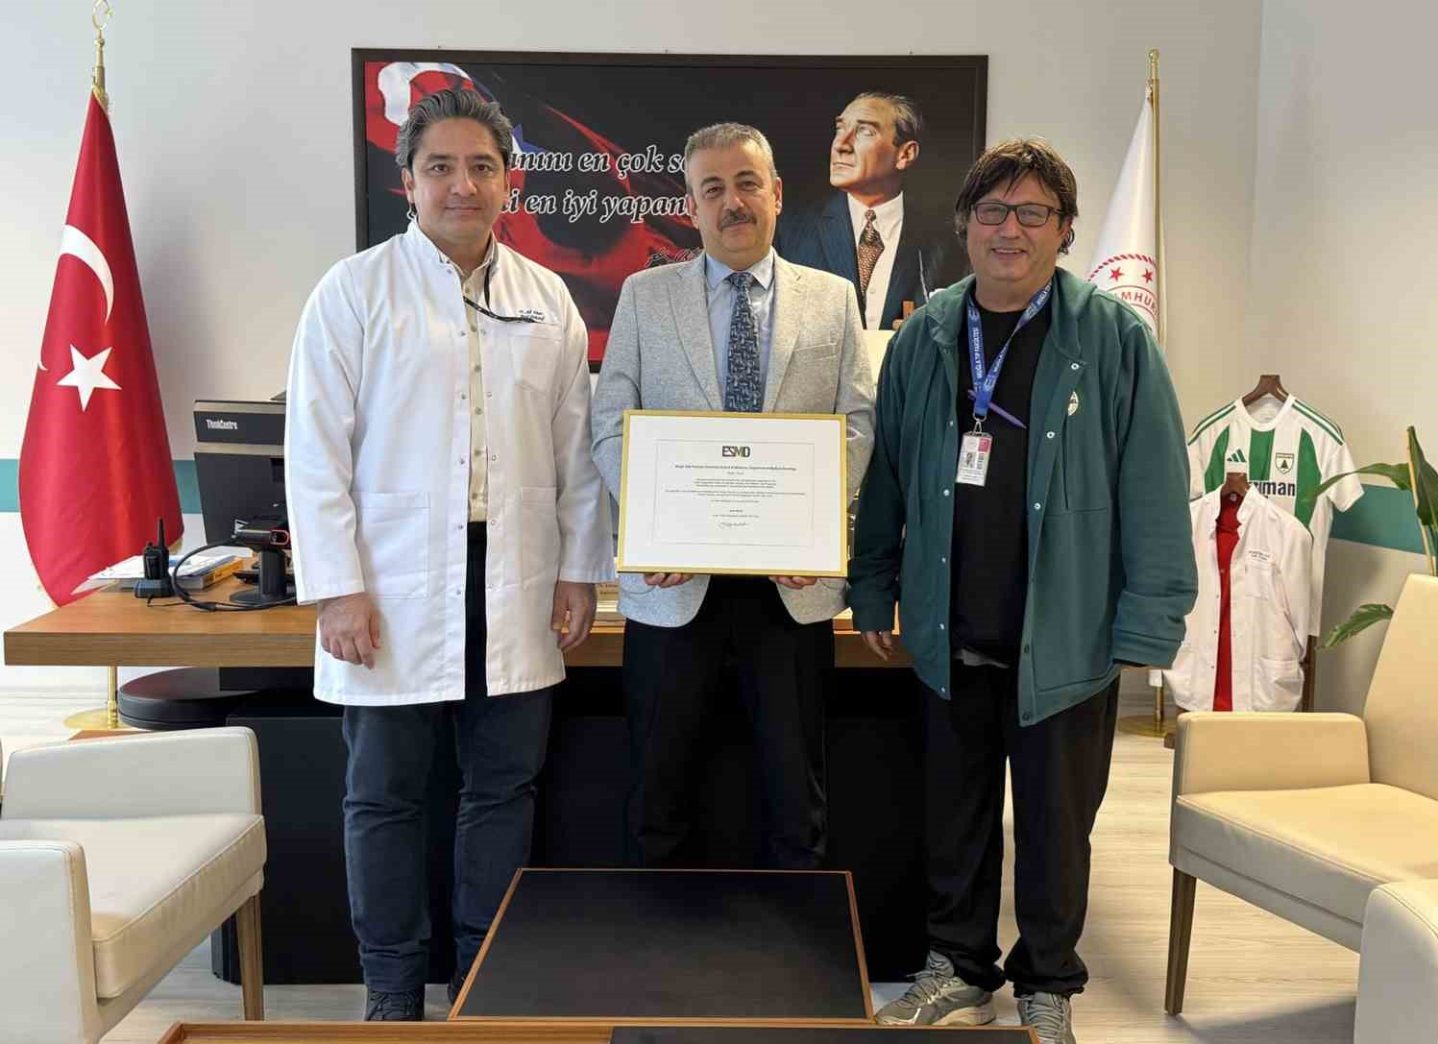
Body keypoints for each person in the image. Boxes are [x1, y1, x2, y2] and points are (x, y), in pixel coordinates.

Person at [849, 137, 1196, 1041]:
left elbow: (1157, 489)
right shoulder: (925, 335)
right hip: (948, 628)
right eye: (994, 211)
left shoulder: (1114, 339)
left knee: (1055, 826)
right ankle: (960, 969)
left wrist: (1149, 622)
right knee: (954, 819)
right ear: (965, 224)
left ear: (1065, 229)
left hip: (1067, 636)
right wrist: (873, 586)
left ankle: (1047, 980)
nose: (1011, 229)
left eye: (1033, 212)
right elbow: (889, 473)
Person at [285, 88, 614, 1022]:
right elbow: (316, 450)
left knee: (503, 790)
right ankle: (393, 991)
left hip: (513, 579)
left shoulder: (546, 298)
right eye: (441, 167)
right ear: (407, 181)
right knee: (384, 796)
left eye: (481, 167)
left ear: (510, 183)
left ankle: (482, 983)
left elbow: (574, 449)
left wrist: (578, 569)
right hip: (389, 583)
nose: (462, 185)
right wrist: (338, 589)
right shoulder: (354, 291)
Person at [590, 122, 874, 871]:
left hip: (792, 589)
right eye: (712, 189)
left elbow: (857, 424)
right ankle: (659, 940)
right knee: (658, 794)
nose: (732, 202)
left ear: (777, 194)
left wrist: (814, 527)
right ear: (690, 207)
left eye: (747, 184)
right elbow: (609, 424)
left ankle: (797, 938)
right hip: (672, 587)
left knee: (796, 799)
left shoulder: (833, 299)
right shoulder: (645, 297)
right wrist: (653, 523)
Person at [776, 91, 960, 330]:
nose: (841, 145)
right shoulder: (791, 231)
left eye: (865, 131)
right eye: (840, 129)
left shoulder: (947, 241)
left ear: (905, 154)